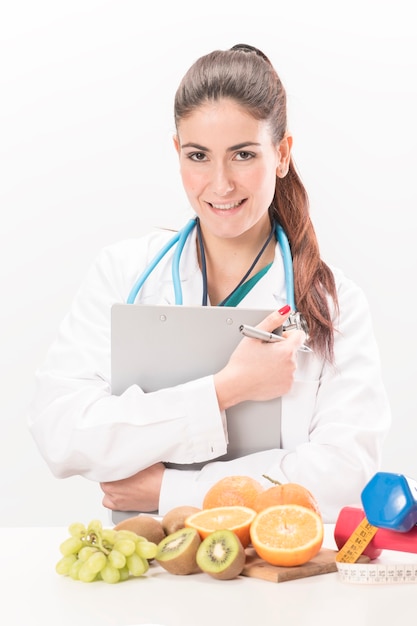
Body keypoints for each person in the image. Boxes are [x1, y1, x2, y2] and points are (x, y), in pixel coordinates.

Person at [28, 44, 391, 523]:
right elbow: (61, 433)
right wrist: (224, 390)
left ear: (281, 155)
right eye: (199, 156)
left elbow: (345, 475)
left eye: (243, 154)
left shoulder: (333, 302)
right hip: (147, 577)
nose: (220, 185)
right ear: (177, 153)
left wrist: (173, 490)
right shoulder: (123, 274)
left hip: (275, 581)